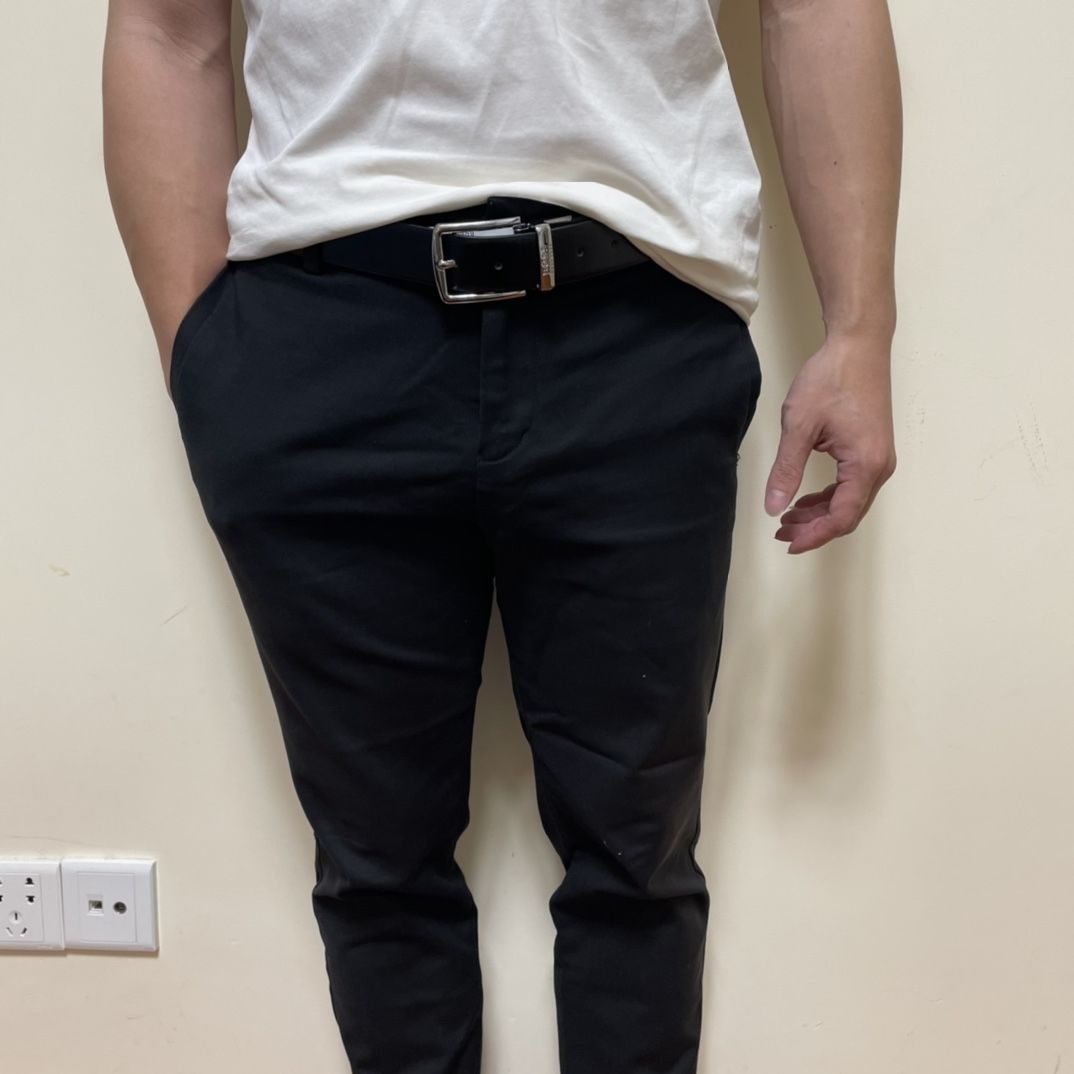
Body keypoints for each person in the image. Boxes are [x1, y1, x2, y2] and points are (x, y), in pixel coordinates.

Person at [102, 0, 901, 1070]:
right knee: (378, 869)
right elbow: (166, 31)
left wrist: (860, 330)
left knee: (638, 860)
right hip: (315, 338)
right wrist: (204, 358)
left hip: (636, 327)